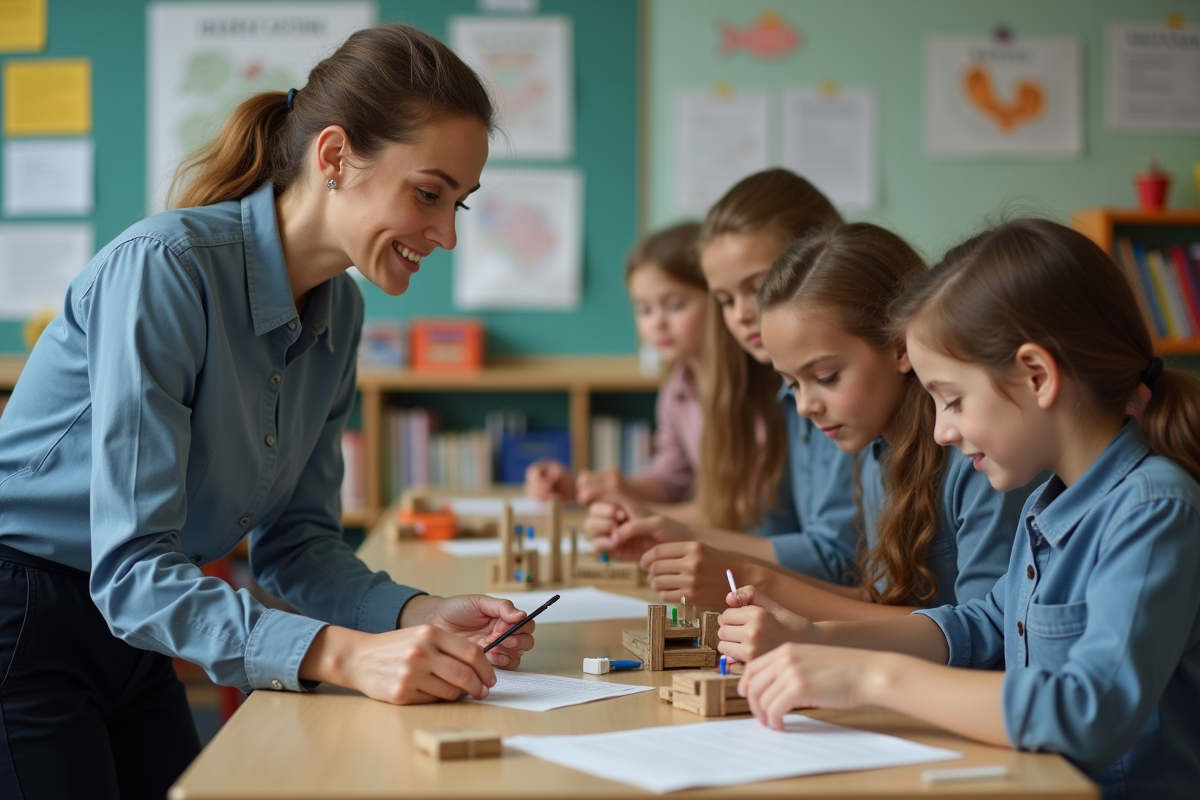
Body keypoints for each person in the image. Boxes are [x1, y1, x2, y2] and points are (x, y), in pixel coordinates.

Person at [0, 24, 536, 799]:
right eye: (428, 193)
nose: (446, 233)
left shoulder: (341, 312)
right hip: (28, 616)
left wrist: (420, 610)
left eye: (459, 202)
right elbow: (130, 567)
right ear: (334, 157)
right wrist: (348, 655)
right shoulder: (165, 269)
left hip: (141, 619)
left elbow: (296, 546)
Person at [737, 219, 1200, 799]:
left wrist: (873, 677)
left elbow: (1089, 711)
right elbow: (983, 625)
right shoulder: (1047, 503)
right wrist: (821, 639)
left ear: (1037, 375)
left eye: (952, 400)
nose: (940, 431)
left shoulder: (1153, 511)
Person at [717, 223, 1029, 657]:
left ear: (901, 347)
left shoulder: (979, 456)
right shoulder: (875, 448)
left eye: (825, 377)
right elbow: (888, 605)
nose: (805, 406)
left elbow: (990, 637)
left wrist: (800, 620)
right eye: (791, 383)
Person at [585, 169, 860, 607]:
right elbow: (784, 530)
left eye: (760, 287)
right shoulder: (789, 392)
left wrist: (690, 535)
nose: (743, 315)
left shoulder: (837, 395)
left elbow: (836, 556)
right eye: (726, 300)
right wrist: (672, 529)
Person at [525, 222, 706, 513]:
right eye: (644, 309)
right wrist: (581, 489)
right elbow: (670, 481)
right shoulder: (677, 388)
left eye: (674, 305)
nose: (657, 322)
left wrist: (641, 515)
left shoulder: (752, 388)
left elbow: (739, 512)